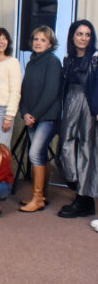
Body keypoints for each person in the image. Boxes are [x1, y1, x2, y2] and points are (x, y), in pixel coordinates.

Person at [19, 26, 62, 213]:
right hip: (31, 117)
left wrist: (34, 114)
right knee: (41, 154)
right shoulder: (30, 63)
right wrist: (25, 113)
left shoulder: (53, 62)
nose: (38, 43)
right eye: (36, 39)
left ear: (50, 44)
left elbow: (51, 92)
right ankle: (41, 196)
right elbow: (25, 91)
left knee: (35, 154)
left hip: (47, 117)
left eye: (43, 40)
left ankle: (37, 198)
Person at [58, 20, 98, 218]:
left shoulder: (95, 59)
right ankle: (74, 182)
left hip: (89, 105)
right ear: (72, 36)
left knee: (86, 150)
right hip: (70, 103)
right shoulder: (68, 59)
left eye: (87, 34)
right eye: (79, 34)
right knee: (65, 145)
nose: (83, 38)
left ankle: (84, 199)